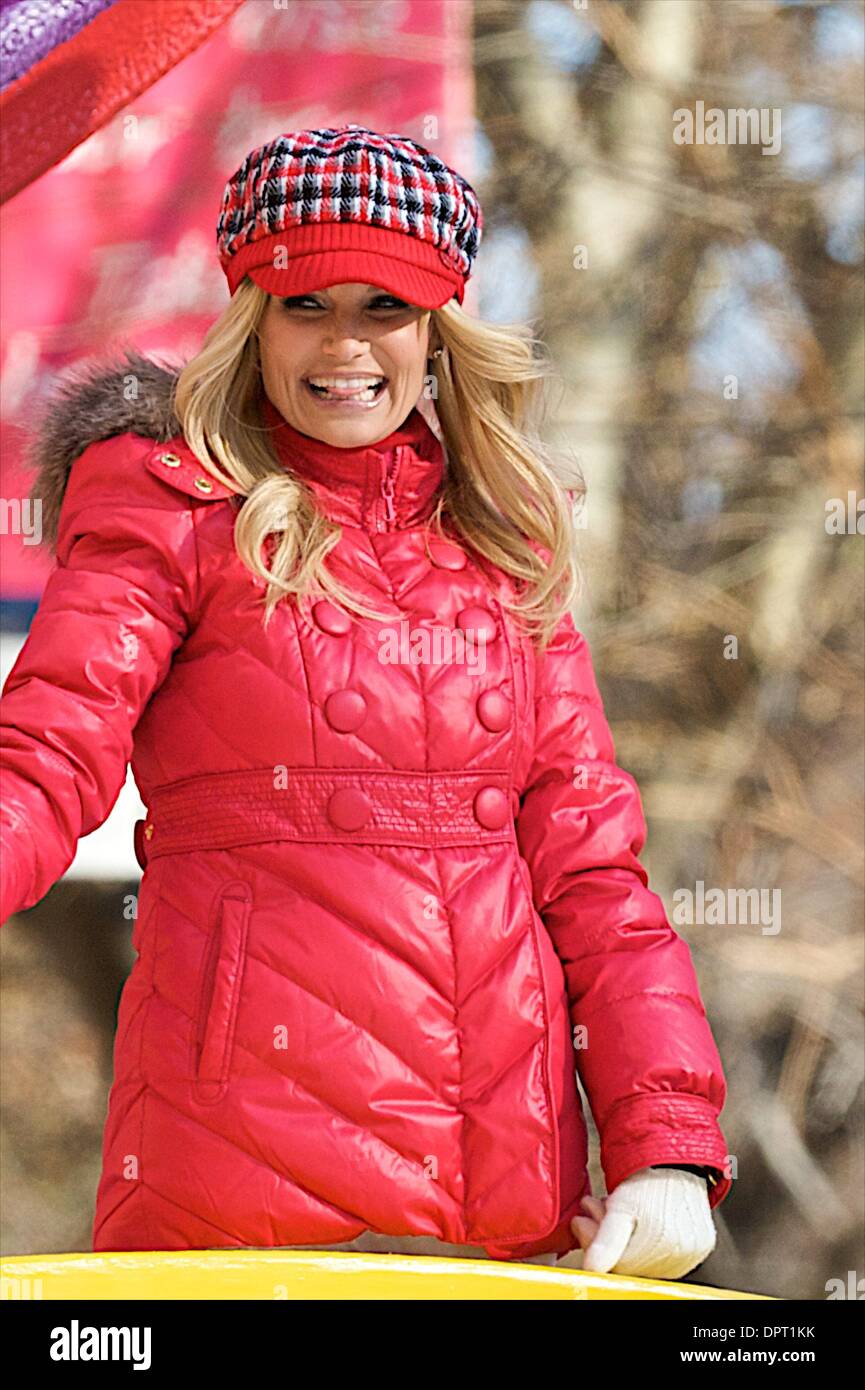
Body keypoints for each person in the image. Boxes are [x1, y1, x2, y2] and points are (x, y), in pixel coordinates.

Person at [0, 124, 730, 1279]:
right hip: (231, 1195)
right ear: (251, 314)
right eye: (306, 304)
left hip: (510, 1207)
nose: (346, 345)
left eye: (385, 307)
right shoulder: (172, 502)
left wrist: (667, 1143)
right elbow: (44, 762)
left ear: (438, 328)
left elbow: (594, 879)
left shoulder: (501, 547)